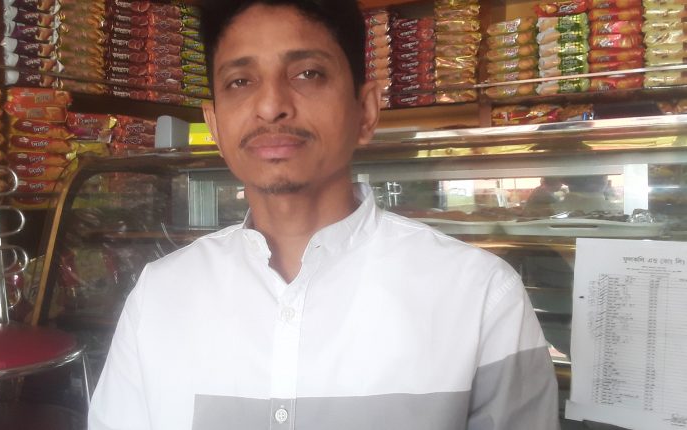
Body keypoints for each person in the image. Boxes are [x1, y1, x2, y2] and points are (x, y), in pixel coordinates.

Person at [88, 1, 560, 429]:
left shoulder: (480, 296)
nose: (270, 106)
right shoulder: (159, 296)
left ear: (366, 111)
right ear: (214, 124)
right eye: (240, 82)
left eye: (308, 74)